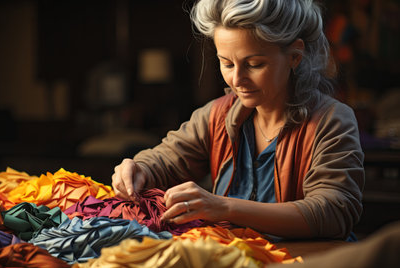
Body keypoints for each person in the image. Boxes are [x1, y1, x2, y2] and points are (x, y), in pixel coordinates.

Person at [112, 0, 364, 240]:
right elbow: (165, 160)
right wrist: (139, 169)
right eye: (227, 63)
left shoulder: (331, 121)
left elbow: (334, 212)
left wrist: (224, 207)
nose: (237, 79)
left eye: (254, 64)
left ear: (295, 56)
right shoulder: (217, 116)